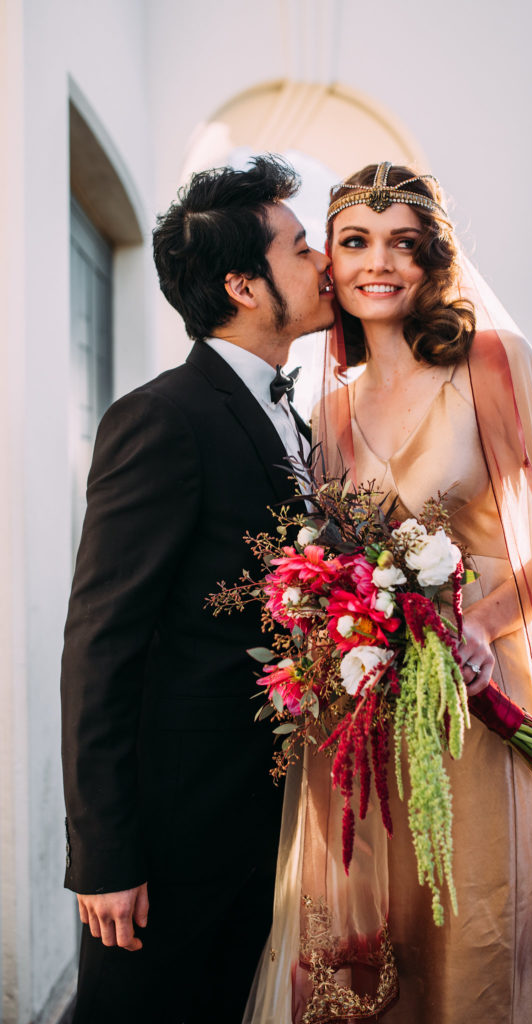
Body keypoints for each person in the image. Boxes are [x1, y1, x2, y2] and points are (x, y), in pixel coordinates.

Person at [243, 163, 532, 1024]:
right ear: (328, 262)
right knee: (390, 926)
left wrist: (476, 627)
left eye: (403, 243)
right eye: (356, 242)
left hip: (479, 703)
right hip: (369, 717)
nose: (379, 263)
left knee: (484, 919)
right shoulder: (328, 414)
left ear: (430, 258)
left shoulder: (491, 362)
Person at [60, 155, 335, 1023]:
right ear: (243, 286)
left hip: (268, 825)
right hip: (172, 843)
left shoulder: (294, 417)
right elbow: (100, 643)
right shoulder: (163, 417)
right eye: (301, 247)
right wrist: (105, 856)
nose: (324, 260)